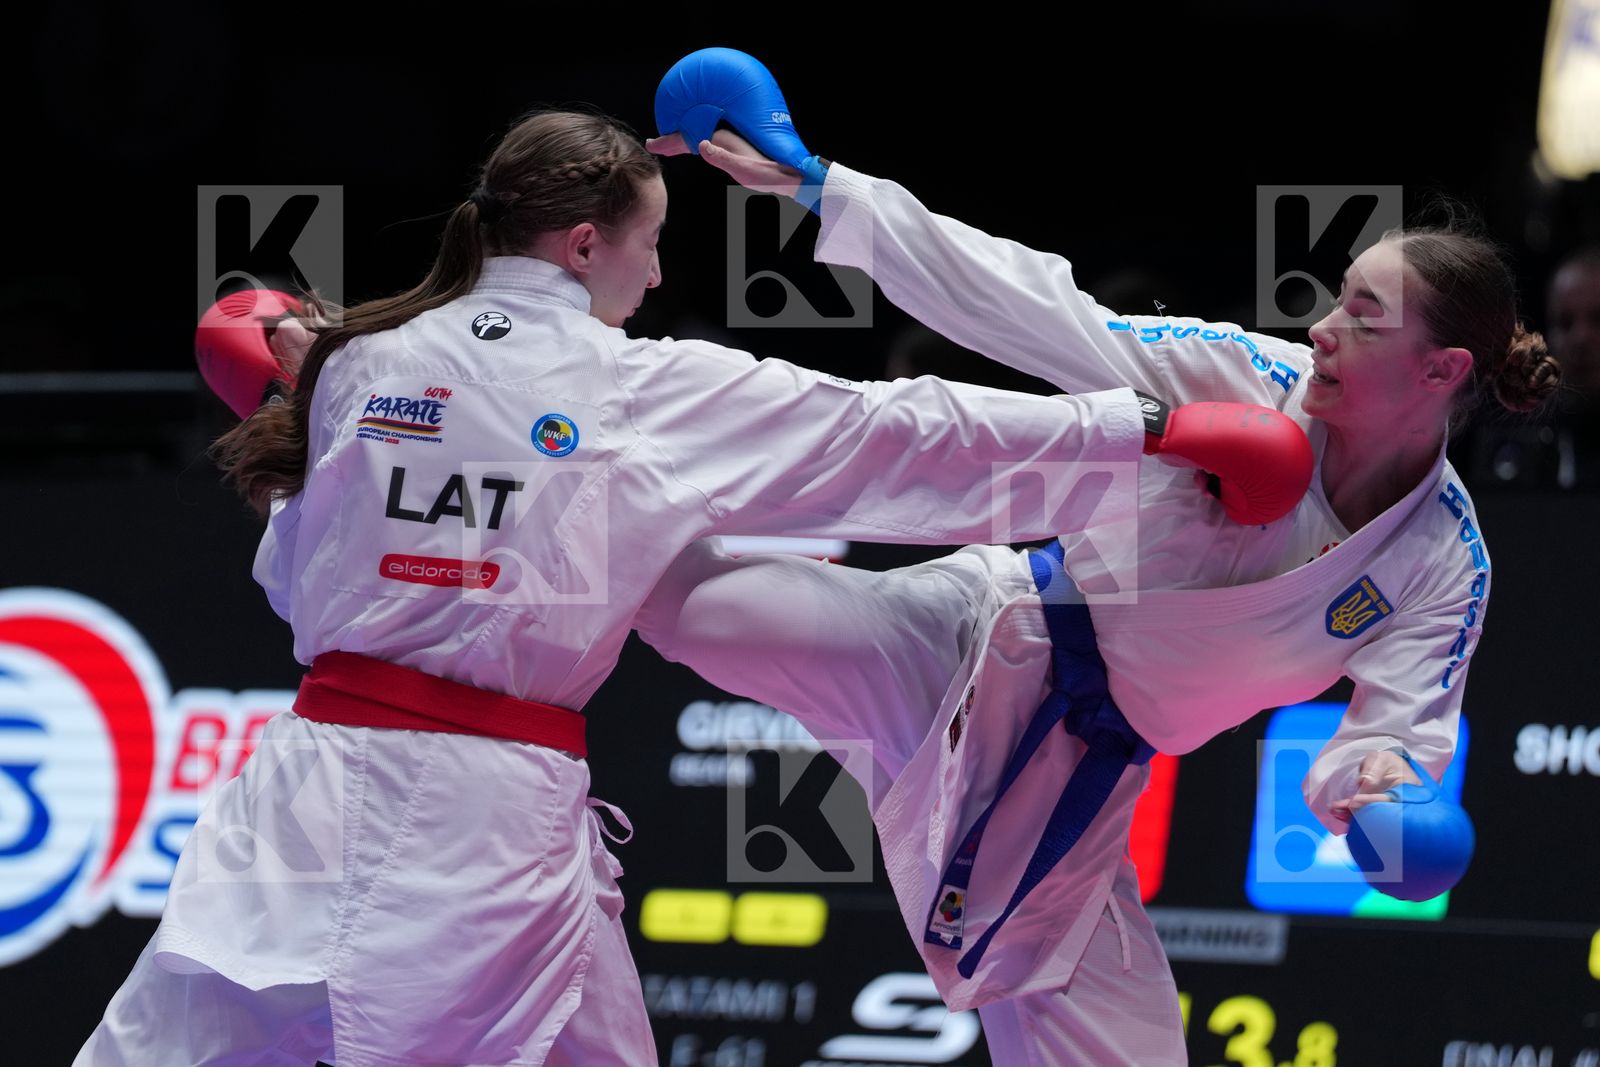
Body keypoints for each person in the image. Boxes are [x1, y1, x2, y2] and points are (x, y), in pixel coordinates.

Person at [75, 104, 1283, 1067]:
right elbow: (897, 432)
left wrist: (291, 405)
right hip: (478, 815)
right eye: (650, 244)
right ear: (584, 244)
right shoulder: (631, 384)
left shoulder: (360, 360)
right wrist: (1151, 430)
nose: (656, 277)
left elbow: (296, 580)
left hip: (311, 779)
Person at [639, 91, 1562, 1063]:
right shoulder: (1245, 375)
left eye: (1364, 319)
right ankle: (573, 475)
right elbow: (1033, 307)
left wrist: (1381, 789)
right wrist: (823, 188)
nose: (1324, 327)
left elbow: (1394, 734)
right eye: (1338, 297)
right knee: (697, 605)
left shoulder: (1444, 562)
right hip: (973, 636)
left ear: (1439, 371)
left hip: (1078, 781)